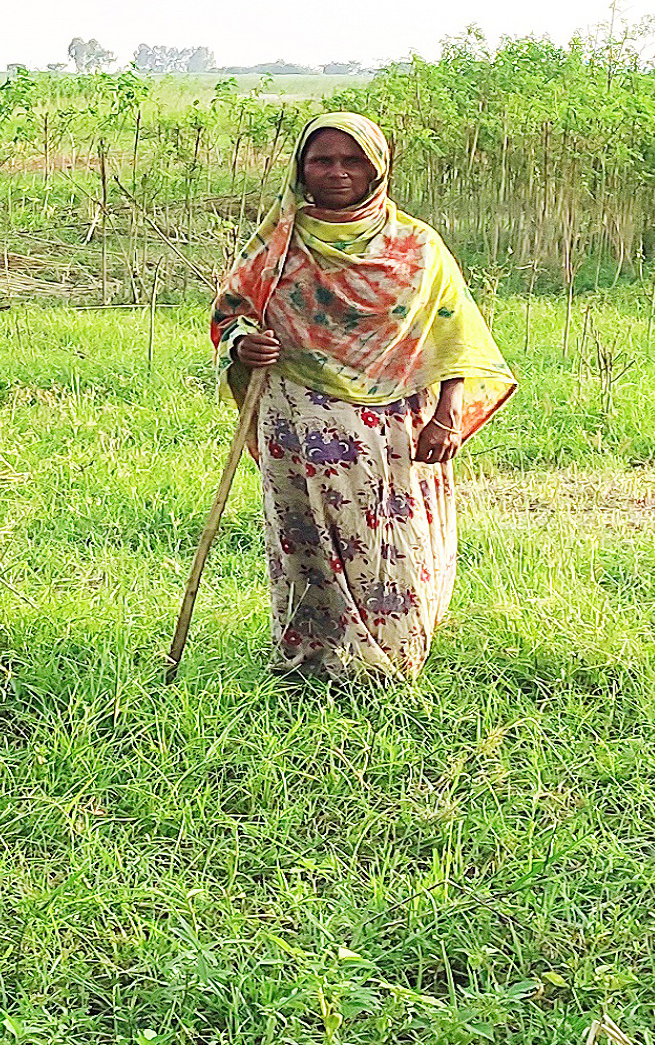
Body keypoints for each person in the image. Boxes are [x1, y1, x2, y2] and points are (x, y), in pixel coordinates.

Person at [207, 113, 515, 684]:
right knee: (304, 540)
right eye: (322, 160)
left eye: (352, 161)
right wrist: (243, 345)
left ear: (378, 168)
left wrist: (448, 415)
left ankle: (388, 663)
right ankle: (310, 662)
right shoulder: (277, 242)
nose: (337, 173)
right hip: (296, 419)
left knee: (394, 543)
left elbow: (453, 333)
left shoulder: (416, 246)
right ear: (301, 167)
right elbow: (232, 313)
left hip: (395, 424)